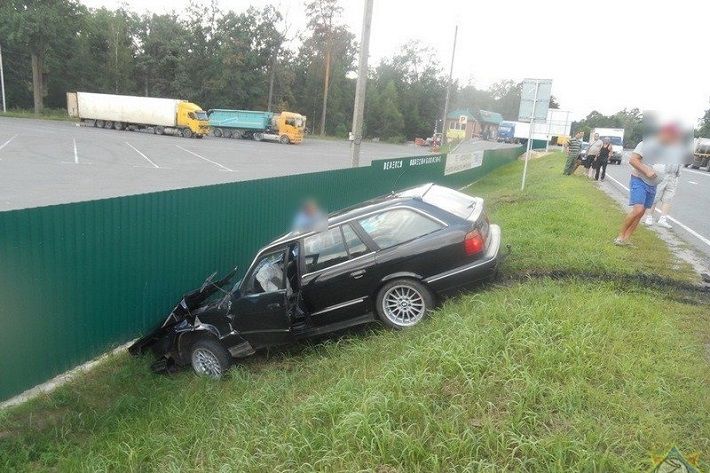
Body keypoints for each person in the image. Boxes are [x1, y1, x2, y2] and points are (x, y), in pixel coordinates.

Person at [615, 123, 684, 246]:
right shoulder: (646, 143)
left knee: (641, 213)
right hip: (639, 180)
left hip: (653, 184)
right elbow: (633, 159)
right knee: (638, 210)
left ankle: (626, 239)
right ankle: (620, 236)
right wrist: (646, 171)